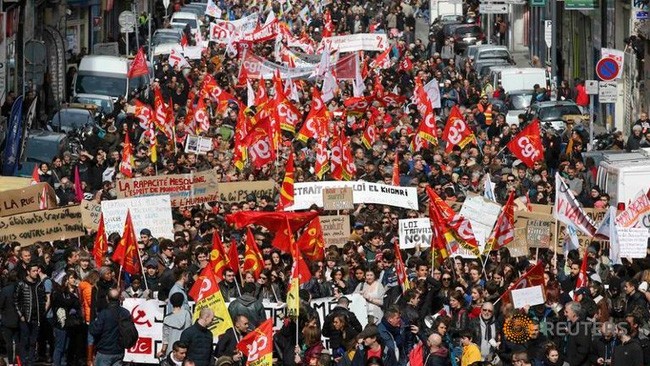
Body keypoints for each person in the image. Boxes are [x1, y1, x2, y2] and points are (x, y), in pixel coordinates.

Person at [14, 262, 47, 366]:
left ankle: (31, 362)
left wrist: (42, 312)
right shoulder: (21, 284)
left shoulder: (39, 284)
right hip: (25, 318)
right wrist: (21, 315)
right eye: (33, 271)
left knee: (33, 341)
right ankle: (24, 361)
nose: (36, 273)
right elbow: (15, 301)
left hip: (36, 317)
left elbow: (43, 299)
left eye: (37, 271)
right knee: (25, 341)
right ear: (28, 272)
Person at [89, 288, 131, 366]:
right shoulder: (125, 313)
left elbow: (95, 330)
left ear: (107, 298)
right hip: (119, 351)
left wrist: (92, 324)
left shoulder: (104, 313)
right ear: (119, 298)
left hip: (105, 352)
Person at [158, 293, 193, 359]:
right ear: (182, 301)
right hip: (184, 351)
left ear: (171, 302)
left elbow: (165, 338)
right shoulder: (187, 314)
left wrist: (162, 351)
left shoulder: (167, 318)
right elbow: (189, 333)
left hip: (171, 351)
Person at [0, 271, 20, 365]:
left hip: (7, 319)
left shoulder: (5, 290)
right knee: (18, 342)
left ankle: (11, 363)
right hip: (19, 319)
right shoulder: (20, 288)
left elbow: (1, 304)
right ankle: (17, 361)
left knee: (9, 343)